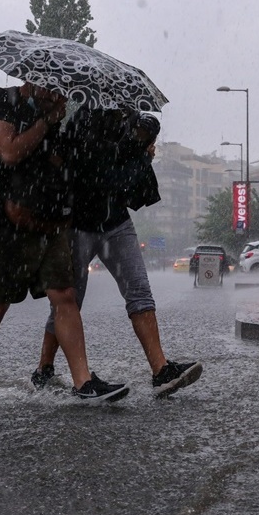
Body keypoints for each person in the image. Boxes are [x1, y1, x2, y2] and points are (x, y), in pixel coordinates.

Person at [0, 82, 129, 403]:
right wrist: (47, 122)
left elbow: (55, 163)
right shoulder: (1, 99)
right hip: (4, 223)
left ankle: (84, 382)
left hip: (47, 221)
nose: (57, 93)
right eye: (51, 88)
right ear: (31, 81)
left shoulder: (53, 116)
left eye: (59, 89)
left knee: (64, 295)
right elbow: (9, 152)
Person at [30, 108, 203, 398]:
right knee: (69, 301)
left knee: (139, 290)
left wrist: (141, 146)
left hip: (116, 222)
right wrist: (130, 147)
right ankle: (45, 368)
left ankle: (160, 370)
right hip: (78, 225)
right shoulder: (83, 121)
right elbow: (96, 168)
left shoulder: (130, 124)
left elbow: (129, 170)